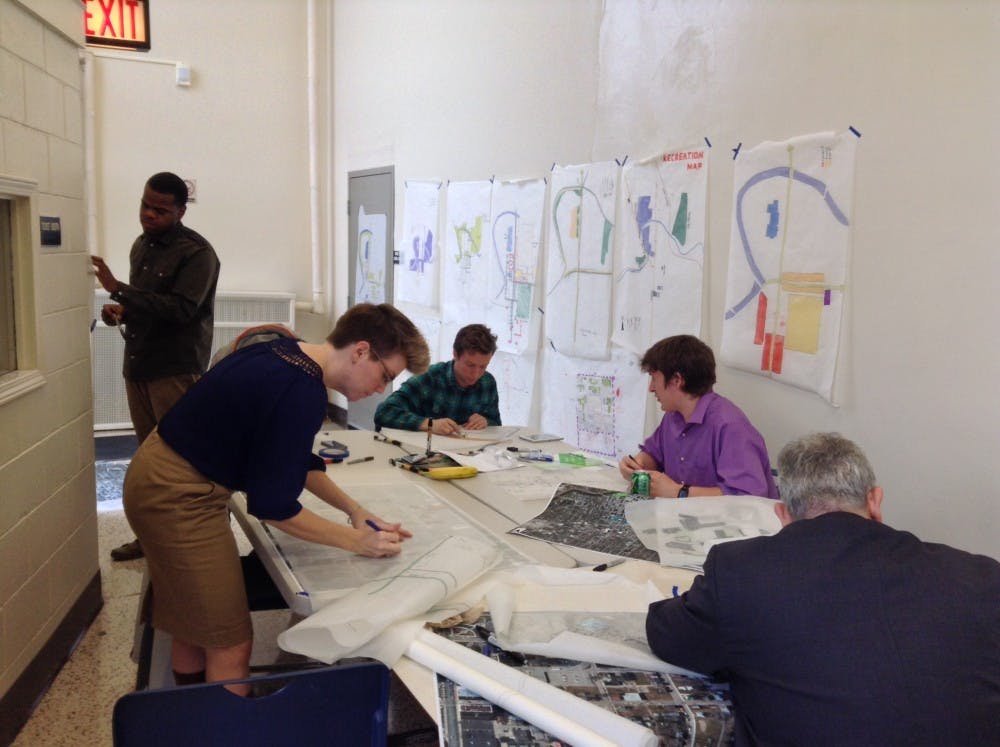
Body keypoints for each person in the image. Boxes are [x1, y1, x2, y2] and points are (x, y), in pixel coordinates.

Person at [122, 303, 430, 694]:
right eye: (385, 375)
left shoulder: (285, 351)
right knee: (230, 640)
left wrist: (354, 511)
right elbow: (274, 508)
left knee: (196, 622)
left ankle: (193, 714)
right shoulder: (302, 389)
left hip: (161, 472)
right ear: (360, 351)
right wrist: (356, 542)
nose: (381, 389)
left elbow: (296, 460)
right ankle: (223, 730)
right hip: (177, 494)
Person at [646, 432, 1000, 746]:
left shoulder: (742, 573)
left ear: (782, 514)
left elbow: (667, 633)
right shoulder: (982, 578)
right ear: (875, 501)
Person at [91, 171, 220, 561]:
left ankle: (198, 539)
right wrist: (123, 312)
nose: (149, 214)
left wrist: (117, 288)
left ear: (181, 211)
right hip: (140, 364)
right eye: (145, 205)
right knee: (149, 460)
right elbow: (149, 304)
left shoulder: (197, 254)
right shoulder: (141, 246)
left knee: (182, 459)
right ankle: (151, 540)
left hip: (175, 369)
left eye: (160, 210)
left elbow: (182, 310)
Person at [618, 335, 778, 499]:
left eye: (654, 379)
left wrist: (678, 492)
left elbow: (748, 497)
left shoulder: (730, 427)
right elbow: (654, 455)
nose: (651, 388)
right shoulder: (673, 417)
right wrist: (637, 464)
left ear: (677, 380)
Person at [373, 323, 500, 436]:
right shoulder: (429, 378)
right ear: (455, 354)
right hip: (421, 454)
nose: (476, 374)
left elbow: (497, 425)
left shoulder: (487, 382)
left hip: (466, 455)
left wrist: (485, 421)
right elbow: (384, 413)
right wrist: (429, 424)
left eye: (483, 366)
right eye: (470, 365)